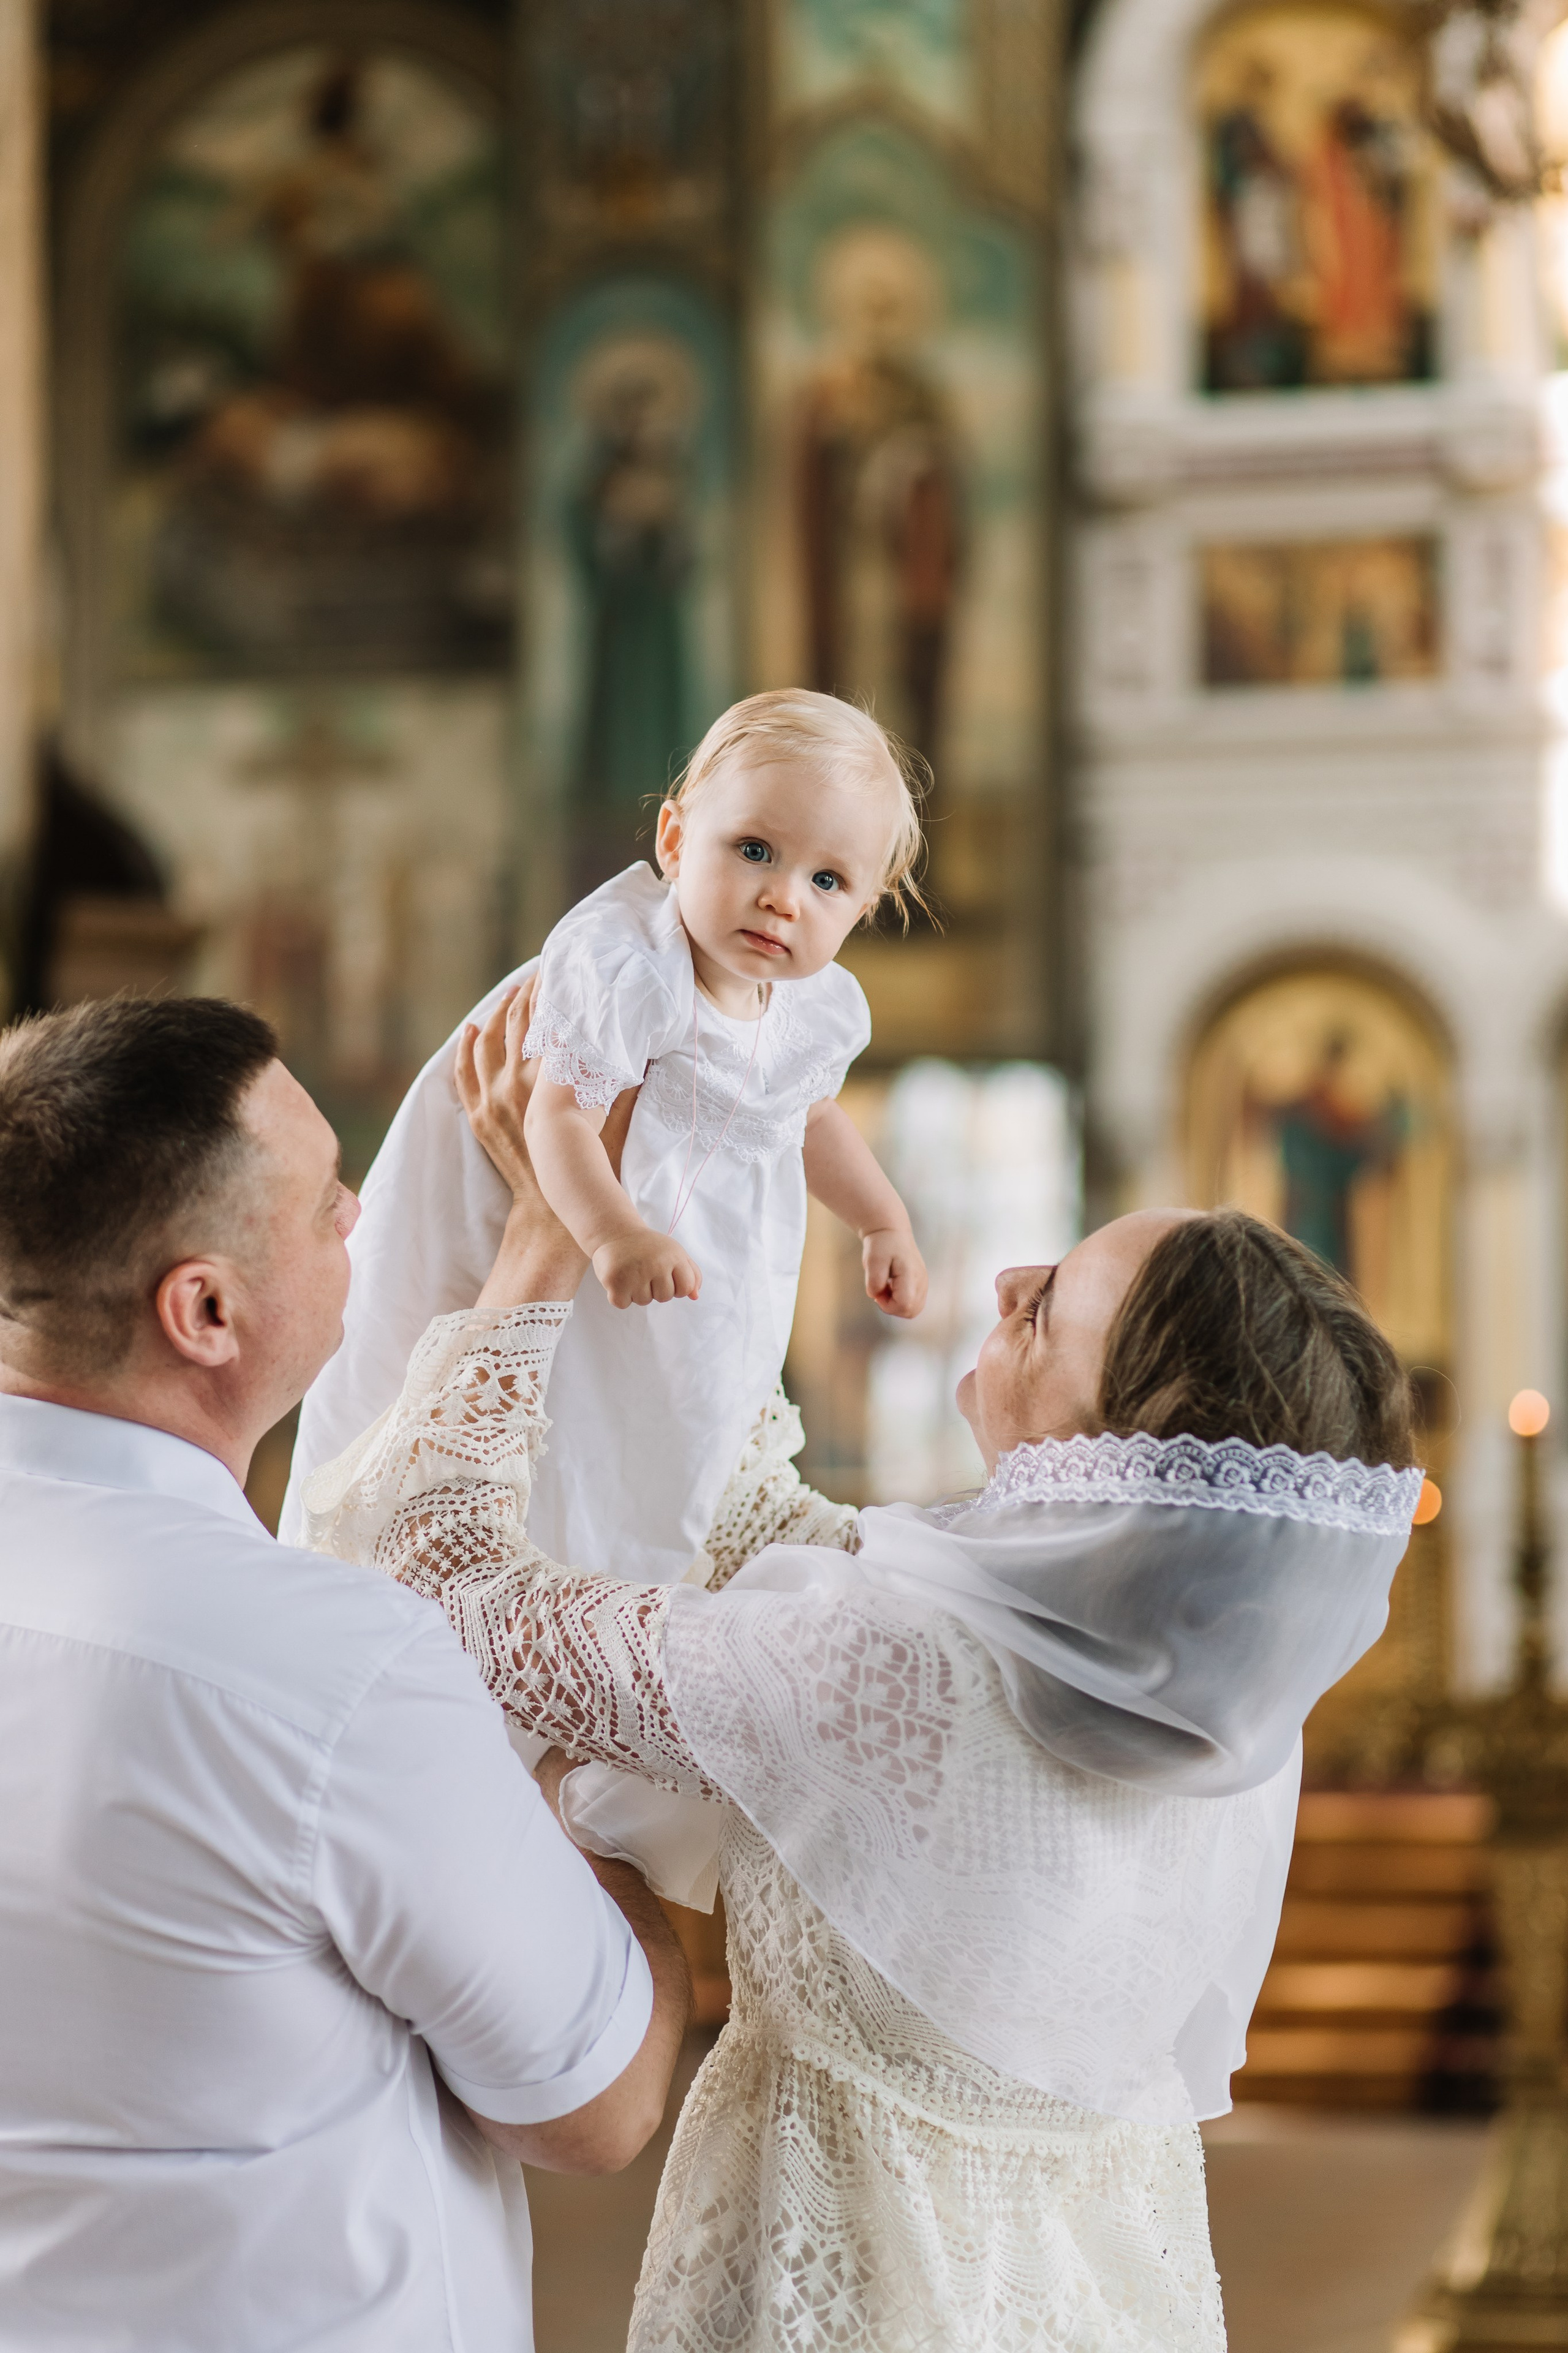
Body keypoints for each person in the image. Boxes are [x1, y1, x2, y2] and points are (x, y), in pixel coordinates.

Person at [304, 994, 1423, 2353]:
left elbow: (454, 1589)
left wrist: (538, 1249)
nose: (1012, 1281)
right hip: (1101, 2293)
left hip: (861, 2294)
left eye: (1052, 1300)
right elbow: (762, 1526)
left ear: (1122, 1453)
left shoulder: (880, 1666)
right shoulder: (1214, 1708)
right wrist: (696, 1204)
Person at [0, 995, 690, 2353]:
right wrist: (597, 1846)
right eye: (325, 1200)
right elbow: (594, 2102)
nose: (362, 1214)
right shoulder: (326, 1668)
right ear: (204, 1309)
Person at [288, 687, 929, 1906]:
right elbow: (556, 1119)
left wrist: (882, 1217)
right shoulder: (618, 969)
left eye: (828, 882)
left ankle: (565, 1651)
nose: (783, 898)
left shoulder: (799, 1006)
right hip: (570, 1231)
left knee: (649, 1450)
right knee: (552, 1436)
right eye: (754, 851)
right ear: (674, 837)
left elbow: (805, 1119)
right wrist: (612, 1229)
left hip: (677, 1288)